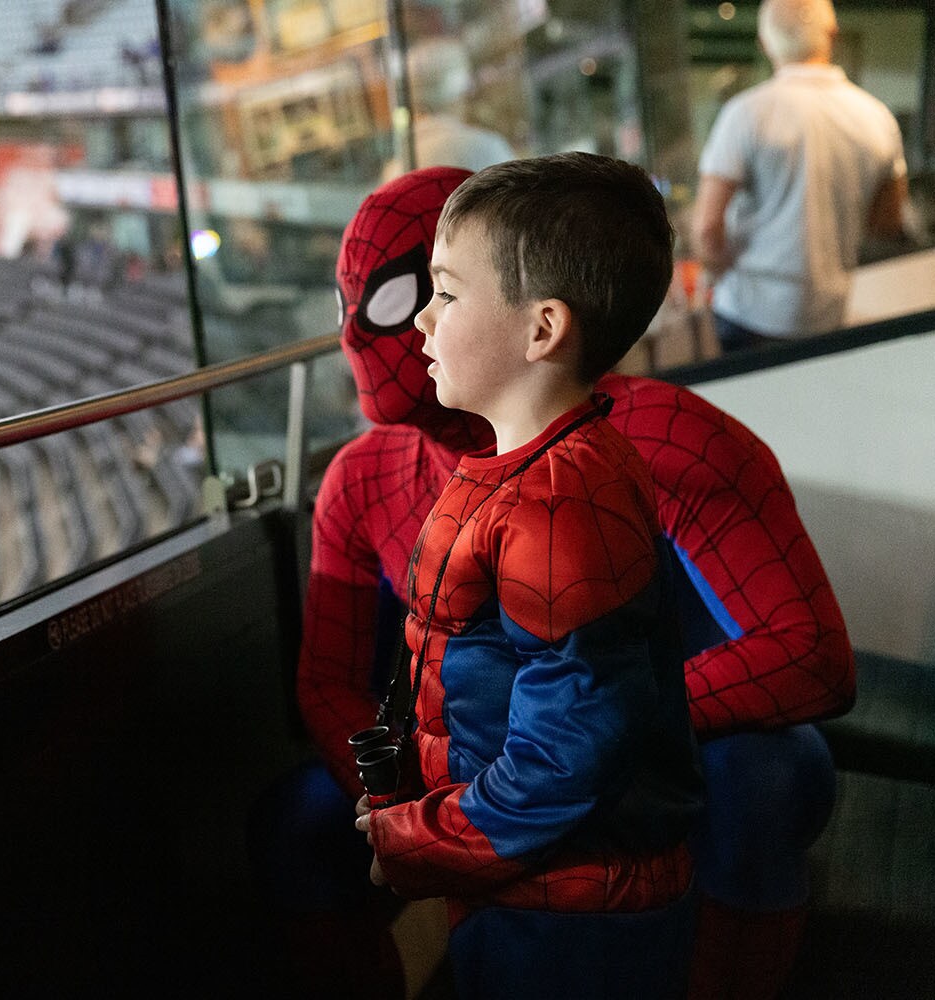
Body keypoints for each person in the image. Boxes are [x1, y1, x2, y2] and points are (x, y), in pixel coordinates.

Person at [301, 165, 853, 998]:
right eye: (358, 307)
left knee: (755, 781)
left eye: (439, 292)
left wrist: (459, 808)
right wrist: (402, 798)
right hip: (509, 780)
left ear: (543, 323)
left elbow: (808, 655)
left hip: (612, 790)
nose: (400, 328)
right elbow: (327, 681)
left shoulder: (637, 453)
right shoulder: (368, 477)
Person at [351, 152, 703, 998]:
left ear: (543, 329)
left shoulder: (560, 501)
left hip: (576, 914)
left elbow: (566, 759)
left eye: (447, 293)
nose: (421, 326)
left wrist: (417, 841)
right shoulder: (534, 470)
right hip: (533, 889)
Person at [691, 0, 908, 350]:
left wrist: (717, 268)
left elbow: (706, 228)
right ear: (833, 35)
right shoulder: (877, 118)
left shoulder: (746, 113)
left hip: (749, 312)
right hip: (829, 313)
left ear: (764, 43)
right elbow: (887, 223)